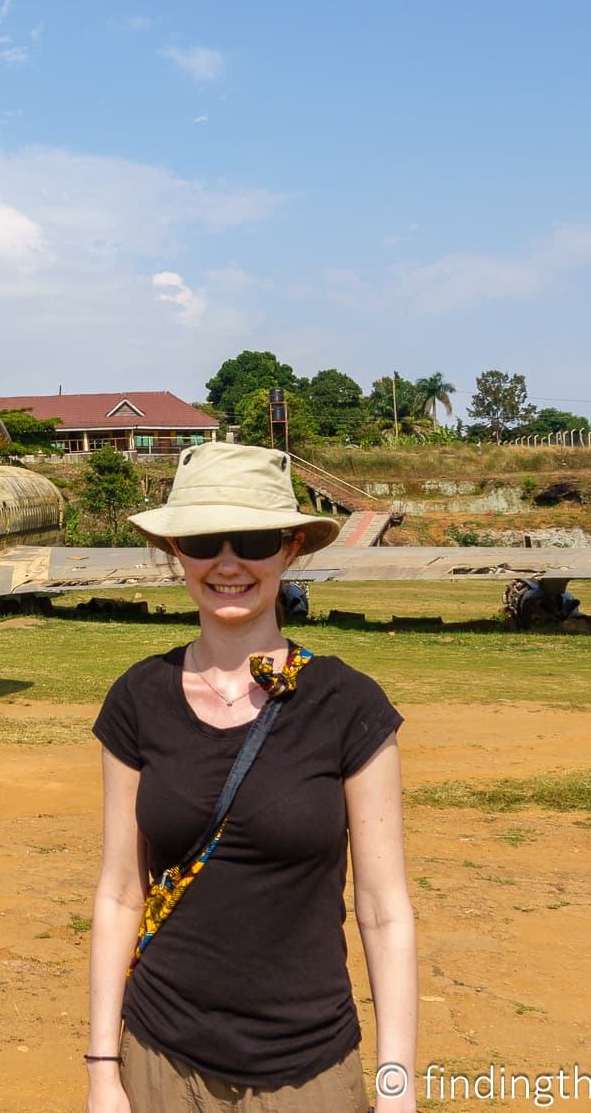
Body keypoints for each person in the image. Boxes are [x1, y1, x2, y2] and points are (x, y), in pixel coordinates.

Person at [85, 443, 416, 1113]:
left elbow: (384, 910)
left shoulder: (349, 706)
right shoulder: (137, 699)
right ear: (177, 551)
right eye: (205, 539)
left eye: (256, 538)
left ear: (290, 548)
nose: (229, 562)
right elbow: (121, 892)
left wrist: (397, 1083)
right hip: (160, 1062)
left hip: (309, 1071)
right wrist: (102, 1069)